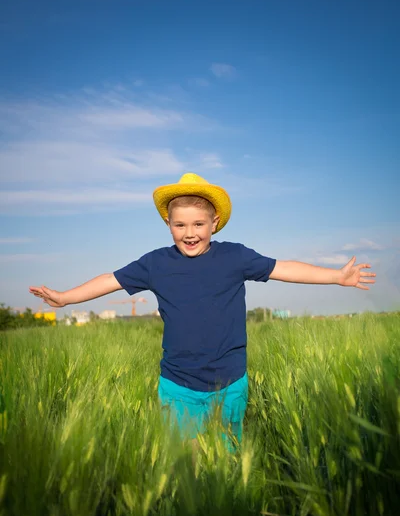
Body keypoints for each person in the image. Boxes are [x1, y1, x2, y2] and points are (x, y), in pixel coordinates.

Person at [29, 173, 376, 452]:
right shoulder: (155, 264)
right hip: (177, 383)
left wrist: (336, 277)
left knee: (225, 460)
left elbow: (284, 268)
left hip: (230, 382)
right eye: (180, 225)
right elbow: (111, 279)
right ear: (168, 224)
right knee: (186, 464)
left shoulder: (235, 257)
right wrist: (66, 298)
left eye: (198, 224)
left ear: (215, 222)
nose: (190, 233)